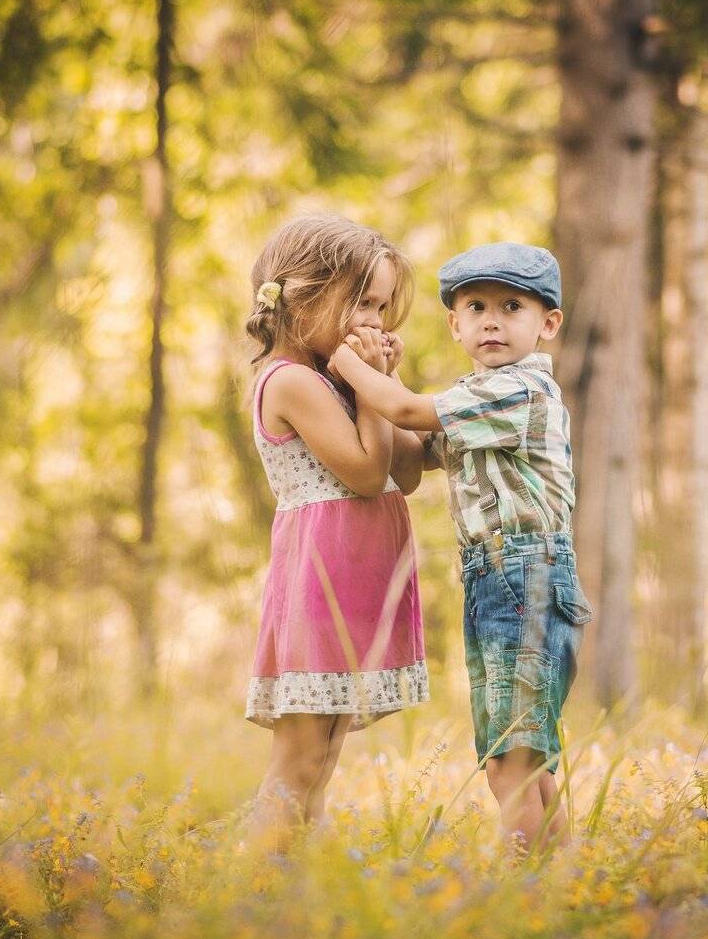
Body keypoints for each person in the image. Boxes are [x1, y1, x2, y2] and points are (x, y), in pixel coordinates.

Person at [328, 241, 590, 853]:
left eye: (511, 306)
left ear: (547, 324)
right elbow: (415, 456)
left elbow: (403, 409)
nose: (491, 319)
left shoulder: (520, 390)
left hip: (525, 573)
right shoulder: (477, 395)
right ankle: (562, 881)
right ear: (455, 323)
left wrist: (349, 361)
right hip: (496, 577)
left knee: (510, 762)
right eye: (475, 306)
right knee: (524, 758)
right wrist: (382, 376)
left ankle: (520, 896)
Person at [243, 213, 430, 830]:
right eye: (362, 304)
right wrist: (369, 384)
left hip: (357, 580)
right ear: (304, 297)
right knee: (298, 761)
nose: (374, 322)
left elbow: (407, 471)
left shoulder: (338, 380)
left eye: (380, 307)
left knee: (322, 761)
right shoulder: (293, 379)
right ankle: (247, 892)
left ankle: (294, 899)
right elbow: (366, 473)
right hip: (321, 580)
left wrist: (386, 384)